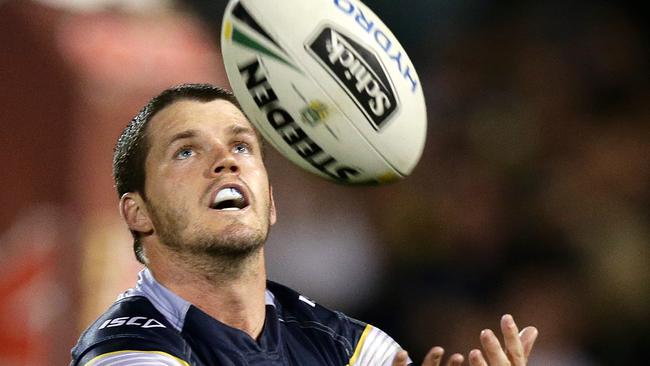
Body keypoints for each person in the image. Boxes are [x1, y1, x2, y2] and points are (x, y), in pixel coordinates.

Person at [70, 84, 538, 366]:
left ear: (271, 202)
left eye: (242, 147)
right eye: (186, 151)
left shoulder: (352, 345)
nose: (225, 162)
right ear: (139, 213)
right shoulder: (125, 347)